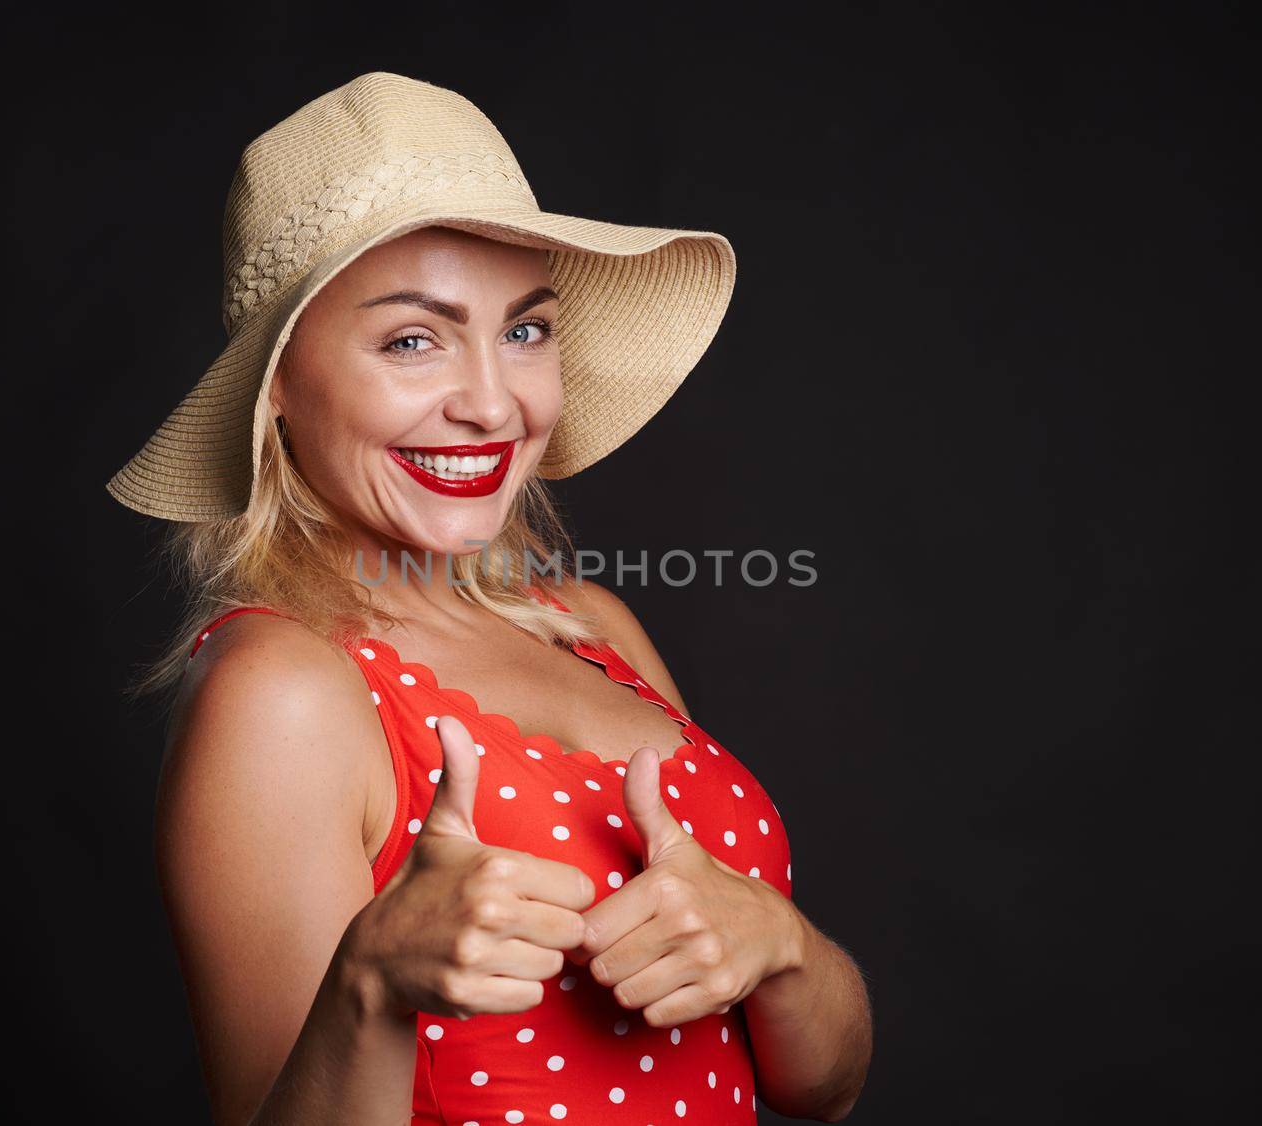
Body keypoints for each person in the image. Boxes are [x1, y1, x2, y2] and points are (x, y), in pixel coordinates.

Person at [106, 71, 872, 1124]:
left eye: (524, 330)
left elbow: (818, 1086)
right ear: (276, 386)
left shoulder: (593, 625)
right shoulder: (281, 691)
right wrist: (368, 984)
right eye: (412, 340)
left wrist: (780, 945)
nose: (490, 401)